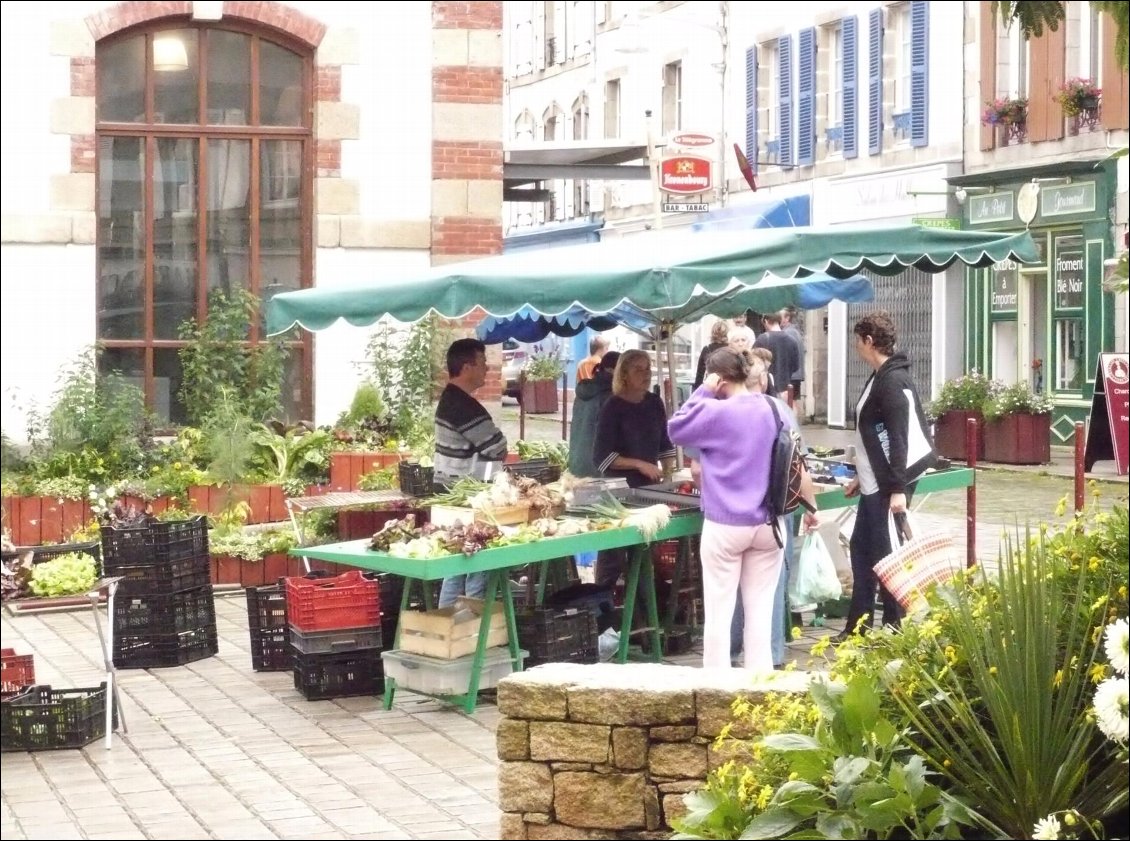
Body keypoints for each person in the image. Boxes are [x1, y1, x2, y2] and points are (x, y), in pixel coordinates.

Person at [668, 347, 818, 672]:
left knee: (719, 614)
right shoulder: (772, 408)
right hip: (769, 523)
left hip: (724, 526)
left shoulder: (713, 412)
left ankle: (716, 688)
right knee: (760, 616)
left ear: (719, 379)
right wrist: (813, 505)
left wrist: (704, 390)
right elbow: (796, 457)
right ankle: (760, 691)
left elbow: (676, 428)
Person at [835, 311, 936, 641]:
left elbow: (898, 439)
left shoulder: (892, 381)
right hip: (873, 482)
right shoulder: (881, 375)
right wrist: (859, 476)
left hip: (887, 486)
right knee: (862, 549)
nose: (855, 347)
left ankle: (896, 628)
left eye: (856, 341)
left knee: (887, 558)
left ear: (867, 341)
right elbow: (871, 438)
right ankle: (858, 628)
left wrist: (897, 490)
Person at [729, 351, 810, 667]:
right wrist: (811, 506)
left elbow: (697, 467)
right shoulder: (779, 410)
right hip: (773, 510)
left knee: (729, 583)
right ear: (763, 380)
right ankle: (770, 654)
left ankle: (730, 649)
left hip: (731, 512)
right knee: (771, 584)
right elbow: (796, 460)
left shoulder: (721, 409)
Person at [434, 338, 509, 608]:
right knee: (475, 563)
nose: (487, 369)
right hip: (466, 497)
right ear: (467, 367)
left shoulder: (453, 399)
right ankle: (471, 628)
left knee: (455, 564)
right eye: (483, 363)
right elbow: (497, 446)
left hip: (452, 492)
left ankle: (450, 625)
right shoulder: (462, 405)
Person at [592, 349, 676, 588]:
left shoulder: (654, 403)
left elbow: (665, 445)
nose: (645, 374)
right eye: (638, 369)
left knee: (644, 556)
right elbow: (601, 457)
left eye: (648, 368)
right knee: (613, 556)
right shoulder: (613, 406)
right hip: (618, 494)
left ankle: (644, 614)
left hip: (648, 494)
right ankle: (604, 609)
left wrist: (668, 475)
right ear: (624, 374)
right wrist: (639, 464)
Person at [567, 351, 620, 477]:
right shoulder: (610, 396)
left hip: (577, 462)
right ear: (612, 370)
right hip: (598, 468)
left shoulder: (583, 393)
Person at [753, 311, 801, 403]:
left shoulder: (762, 339)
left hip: (767, 390)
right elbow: (796, 367)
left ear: (766, 321)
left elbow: (753, 363)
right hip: (786, 389)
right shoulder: (792, 341)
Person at [694, 320, 729, 389]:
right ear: (726, 333)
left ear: (713, 333)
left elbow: (700, 374)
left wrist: (696, 391)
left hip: (711, 385)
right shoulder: (731, 349)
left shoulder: (707, 349)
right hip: (727, 385)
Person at [779, 308, 806, 400]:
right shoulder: (794, 331)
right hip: (796, 375)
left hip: (791, 375)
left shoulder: (787, 333)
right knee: (793, 401)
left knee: (790, 402)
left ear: (787, 318)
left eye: (780, 317)